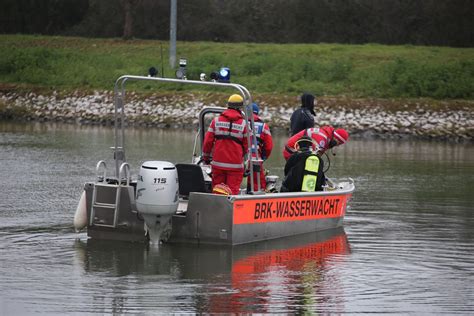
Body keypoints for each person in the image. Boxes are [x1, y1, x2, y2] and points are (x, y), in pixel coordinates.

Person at [202, 94, 249, 195]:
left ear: (228, 105)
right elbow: (247, 146)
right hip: (236, 166)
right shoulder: (244, 124)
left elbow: (207, 143)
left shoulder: (216, 121)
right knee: (232, 193)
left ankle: (216, 210)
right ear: (240, 108)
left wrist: (206, 158)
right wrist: (244, 160)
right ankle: (230, 210)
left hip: (218, 164)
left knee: (217, 191)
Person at [247, 102, 273, 192]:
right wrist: (263, 157)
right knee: (257, 187)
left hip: (238, 159)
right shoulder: (263, 126)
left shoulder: (241, 122)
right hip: (255, 159)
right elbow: (269, 147)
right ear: (257, 113)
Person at [283, 126, 349, 161]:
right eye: (338, 143)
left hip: (294, 151)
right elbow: (314, 158)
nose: (337, 146)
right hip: (291, 151)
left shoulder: (325, 137)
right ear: (336, 138)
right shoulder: (322, 139)